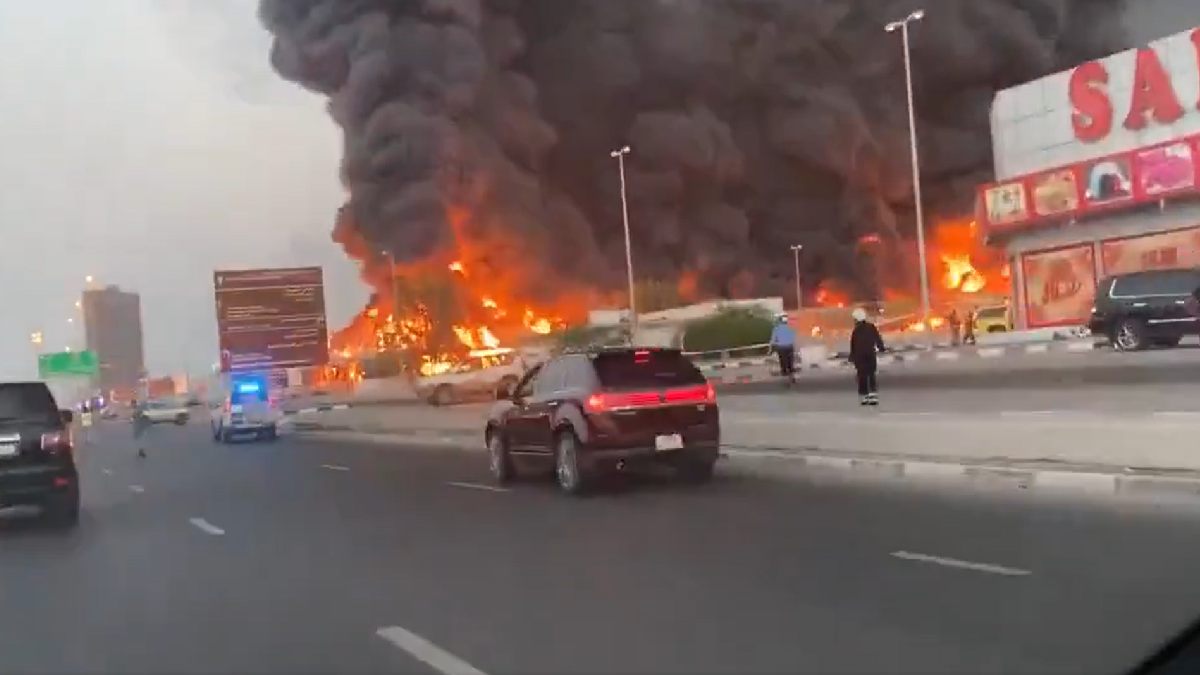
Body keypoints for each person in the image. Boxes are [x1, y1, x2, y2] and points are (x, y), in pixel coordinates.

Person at [849, 307, 886, 406]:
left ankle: (864, 396)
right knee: (871, 375)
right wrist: (881, 348)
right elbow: (877, 338)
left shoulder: (856, 331)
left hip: (860, 357)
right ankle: (873, 396)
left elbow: (853, 344)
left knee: (862, 376)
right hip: (870, 355)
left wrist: (852, 357)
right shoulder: (871, 327)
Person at [769, 313, 797, 382]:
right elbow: (793, 338)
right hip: (789, 346)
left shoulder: (776, 329)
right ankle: (791, 370)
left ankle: (784, 371)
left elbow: (773, 340)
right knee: (790, 359)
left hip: (781, 347)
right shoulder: (790, 328)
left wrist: (770, 349)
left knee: (782, 360)